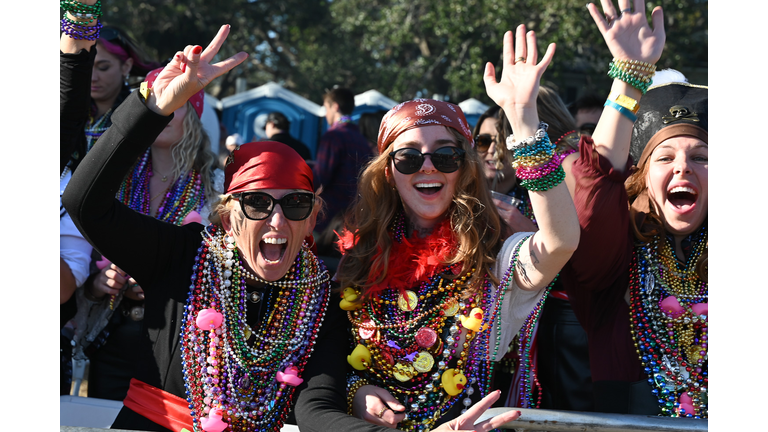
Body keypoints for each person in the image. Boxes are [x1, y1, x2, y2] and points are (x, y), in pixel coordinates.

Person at [64, 25, 359, 432]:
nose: (276, 220)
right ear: (228, 216)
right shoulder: (182, 255)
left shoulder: (319, 295)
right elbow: (85, 202)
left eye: (295, 204)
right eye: (257, 203)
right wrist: (151, 109)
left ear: (312, 217)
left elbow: (318, 410)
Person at [294, 24, 580, 431]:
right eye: (409, 157)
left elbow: (561, 240)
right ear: (389, 173)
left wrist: (524, 122)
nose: (427, 166)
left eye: (445, 155)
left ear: (463, 170)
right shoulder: (359, 259)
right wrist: (357, 391)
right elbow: (334, 364)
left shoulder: (496, 262)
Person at [561, 1, 707, 418]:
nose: (683, 166)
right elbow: (597, 185)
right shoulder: (615, 264)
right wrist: (629, 77)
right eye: (666, 158)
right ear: (642, 178)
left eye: (701, 157)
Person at [312, 87, 374, 235]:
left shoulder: (333, 136)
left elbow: (320, 178)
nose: (326, 114)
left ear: (335, 106)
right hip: (353, 219)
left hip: (327, 220)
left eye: (326, 108)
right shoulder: (361, 139)